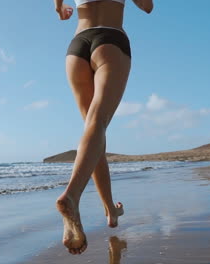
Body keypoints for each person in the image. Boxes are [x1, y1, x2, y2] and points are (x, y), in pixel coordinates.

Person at [53, 0, 154, 255]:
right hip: (110, 39)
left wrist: (60, 9)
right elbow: (147, 6)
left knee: (93, 129)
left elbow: (59, 7)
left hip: (77, 46)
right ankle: (72, 195)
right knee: (97, 123)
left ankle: (110, 209)